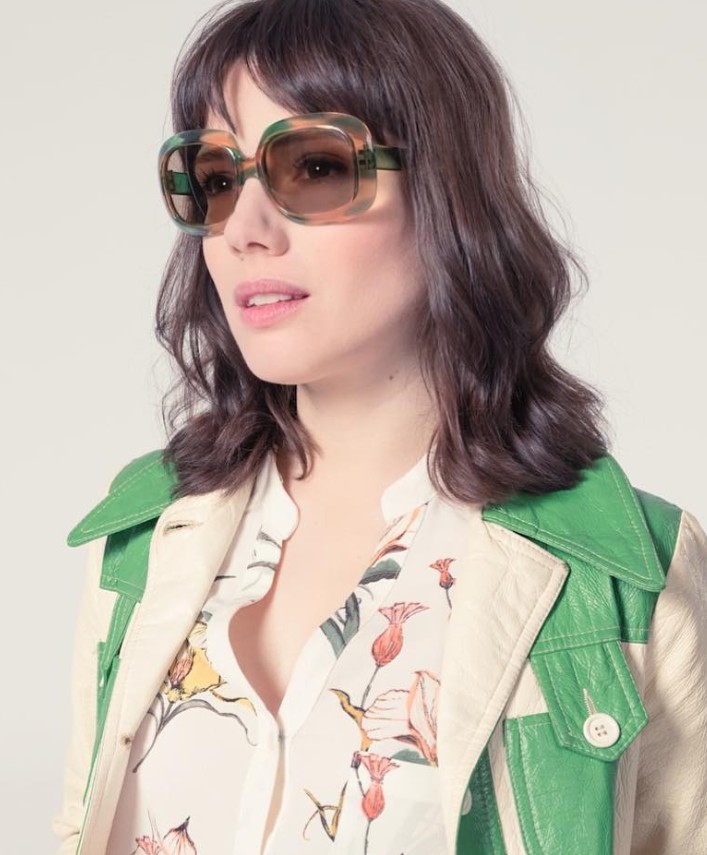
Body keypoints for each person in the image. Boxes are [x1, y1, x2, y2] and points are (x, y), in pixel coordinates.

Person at [53, 0, 707, 853]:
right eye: (215, 177)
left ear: (445, 193)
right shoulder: (142, 543)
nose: (244, 230)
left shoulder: (621, 576)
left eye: (314, 167)